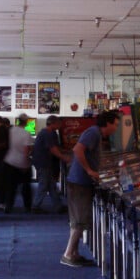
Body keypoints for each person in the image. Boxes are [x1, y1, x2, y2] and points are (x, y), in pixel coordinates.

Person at [61, 110, 119, 267]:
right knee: (79, 220)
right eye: (115, 124)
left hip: (80, 181)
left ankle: (74, 253)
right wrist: (89, 170)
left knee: (79, 220)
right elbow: (77, 150)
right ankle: (68, 254)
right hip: (80, 181)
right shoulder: (93, 132)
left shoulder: (96, 134)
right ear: (107, 123)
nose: (116, 128)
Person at [32, 115, 70, 213]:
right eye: (58, 123)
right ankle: (35, 206)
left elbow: (56, 147)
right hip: (43, 162)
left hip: (45, 162)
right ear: (53, 123)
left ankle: (58, 206)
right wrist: (63, 157)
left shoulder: (51, 133)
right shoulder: (47, 133)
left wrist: (66, 151)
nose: (60, 125)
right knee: (44, 184)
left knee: (52, 185)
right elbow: (52, 149)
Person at [2, 113, 34, 213]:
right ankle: (27, 207)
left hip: (9, 161)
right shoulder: (26, 134)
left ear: (18, 120)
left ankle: (8, 206)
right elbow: (26, 151)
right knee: (26, 187)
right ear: (26, 122)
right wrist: (26, 163)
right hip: (22, 163)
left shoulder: (10, 131)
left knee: (10, 187)